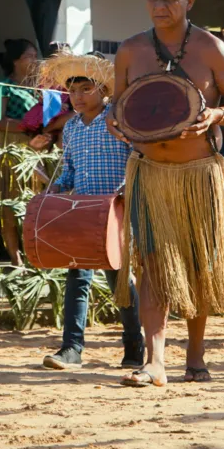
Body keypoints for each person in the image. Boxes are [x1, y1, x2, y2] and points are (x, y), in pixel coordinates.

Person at [108, 0, 224, 387]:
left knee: (198, 266)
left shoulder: (211, 48)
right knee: (152, 265)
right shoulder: (130, 50)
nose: (160, 6)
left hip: (199, 174)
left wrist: (218, 114)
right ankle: (154, 361)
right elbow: (118, 106)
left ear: (189, 1)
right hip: (150, 172)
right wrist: (114, 123)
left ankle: (195, 357)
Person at [39, 50, 144, 371]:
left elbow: (139, 156)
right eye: (73, 90)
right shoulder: (70, 129)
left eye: (86, 89)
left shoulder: (119, 118)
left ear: (104, 90)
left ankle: (134, 347)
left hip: (117, 211)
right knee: (77, 276)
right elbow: (69, 169)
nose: (78, 96)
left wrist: (128, 188)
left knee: (120, 279)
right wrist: (56, 186)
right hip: (82, 211)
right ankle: (72, 347)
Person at [0, 38, 40, 266]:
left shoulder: (39, 87)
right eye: (29, 56)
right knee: (9, 203)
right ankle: (15, 258)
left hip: (33, 147)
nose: (35, 61)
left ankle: (32, 253)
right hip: (10, 145)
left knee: (32, 201)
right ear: (16, 60)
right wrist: (26, 125)